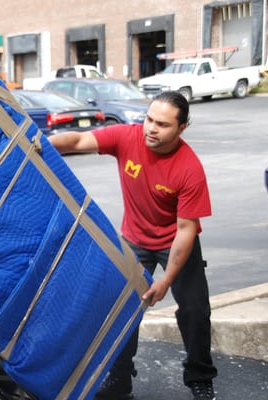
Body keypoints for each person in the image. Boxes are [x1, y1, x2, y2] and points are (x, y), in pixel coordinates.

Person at [49, 91, 218, 400]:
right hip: (135, 239)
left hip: (175, 242)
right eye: (149, 119)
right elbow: (76, 142)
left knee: (195, 310)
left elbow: (185, 229)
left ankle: (200, 377)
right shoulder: (128, 137)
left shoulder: (189, 168)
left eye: (163, 124)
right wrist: (35, 142)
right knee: (121, 308)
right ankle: (120, 379)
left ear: (181, 128)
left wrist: (166, 280)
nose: (151, 128)